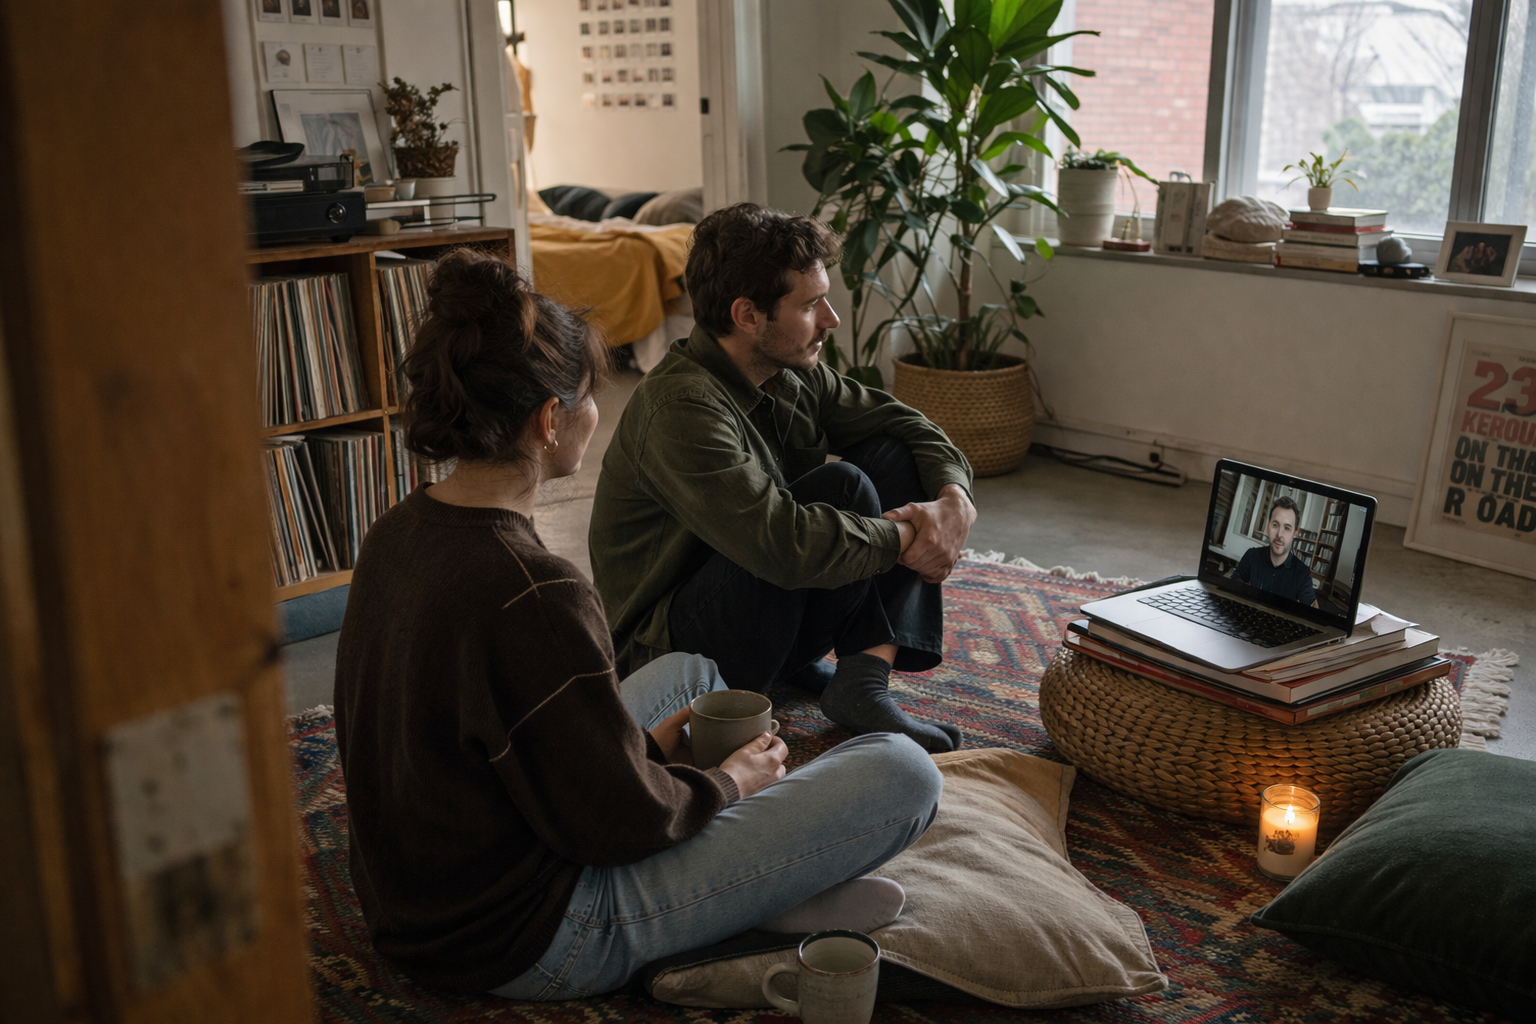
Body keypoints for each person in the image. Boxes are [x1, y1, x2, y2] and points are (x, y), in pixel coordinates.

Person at [332, 249, 942, 1000]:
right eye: (591, 395)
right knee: (905, 773)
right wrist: (726, 782)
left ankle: (757, 897)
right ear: (548, 420)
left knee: (690, 674)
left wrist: (644, 755)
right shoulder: (537, 591)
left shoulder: (395, 531)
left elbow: (514, 749)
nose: (598, 411)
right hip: (529, 934)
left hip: (423, 897)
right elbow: (616, 826)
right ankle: (729, 922)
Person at [589, 203, 977, 755]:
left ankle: (861, 681)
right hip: (673, 653)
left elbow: (908, 424)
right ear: (748, 315)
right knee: (843, 490)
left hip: (755, 612)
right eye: (811, 304)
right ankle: (785, 672)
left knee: (893, 453)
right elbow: (782, 546)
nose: (830, 319)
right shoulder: (680, 406)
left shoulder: (790, 374)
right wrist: (913, 535)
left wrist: (954, 502)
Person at [1233, 495, 1318, 607]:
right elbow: (1235, 580)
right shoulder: (1251, 555)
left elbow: (1313, 610)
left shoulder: (1302, 573)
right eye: (1275, 525)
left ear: (1295, 534)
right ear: (1268, 527)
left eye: (1287, 528)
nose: (1279, 534)